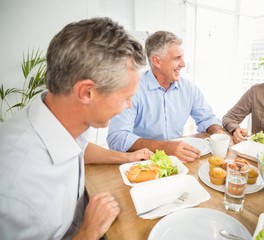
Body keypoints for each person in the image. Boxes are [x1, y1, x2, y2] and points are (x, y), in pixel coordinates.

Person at [0, 17, 153, 239]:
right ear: (86, 92)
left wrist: (126, 158)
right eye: (126, 97)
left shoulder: (57, 116)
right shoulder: (18, 191)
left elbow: (80, 148)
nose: (130, 105)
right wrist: (88, 232)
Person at [107, 30, 224, 163]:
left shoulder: (188, 88)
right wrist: (165, 147)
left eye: (182, 57)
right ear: (157, 61)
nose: (183, 64)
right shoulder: (133, 89)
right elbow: (117, 137)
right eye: (176, 58)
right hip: (144, 162)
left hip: (180, 159)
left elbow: (208, 118)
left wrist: (217, 132)